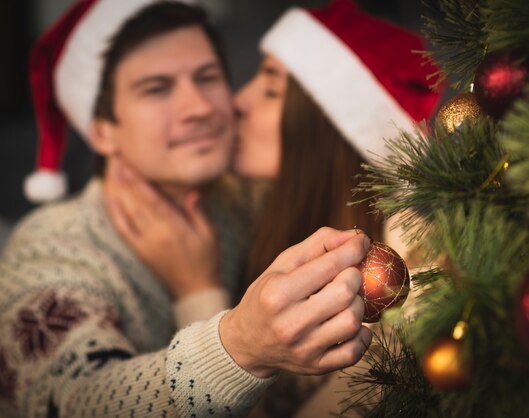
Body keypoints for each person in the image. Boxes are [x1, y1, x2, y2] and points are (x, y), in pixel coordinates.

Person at [0, 2, 372, 417]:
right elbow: (73, 400)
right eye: (157, 88)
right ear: (102, 131)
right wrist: (238, 344)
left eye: (208, 77)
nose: (200, 108)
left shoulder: (246, 202)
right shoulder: (52, 246)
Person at [104, 1, 442, 416]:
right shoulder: (258, 211)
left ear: (330, 132)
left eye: (269, 90)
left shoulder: (399, 321)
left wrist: (198, 292)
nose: (234, 102)